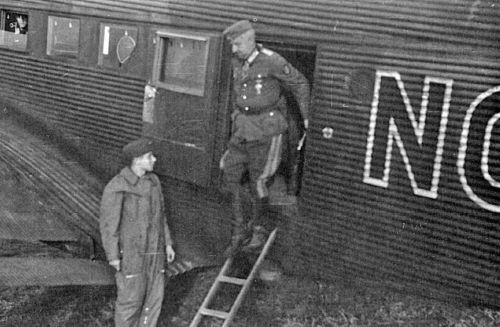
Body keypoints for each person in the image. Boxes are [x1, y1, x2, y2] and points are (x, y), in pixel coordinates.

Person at [220, 20, 310, 257]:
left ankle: (259, 229)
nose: (234, 49)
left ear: (250, 40)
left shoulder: (272, 60)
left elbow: (300, 84)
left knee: (259, 181)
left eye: (238, 43)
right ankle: (239, 231)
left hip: (267, 130)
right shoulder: (236, 61)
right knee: (230, 176)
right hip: (243, 128)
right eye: (233, 44)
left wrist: (307, 119)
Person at [100, 137, 175, 327]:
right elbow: (109, 226)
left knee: (154, 299)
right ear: (137, 160)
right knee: (130, 302)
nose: (154, 160)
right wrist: (113, 256)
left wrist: (167, 243)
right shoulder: (118, 186)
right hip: (132, 254)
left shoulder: (154, 182)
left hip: (155, 252)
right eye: (150, 157)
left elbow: (161, 216)